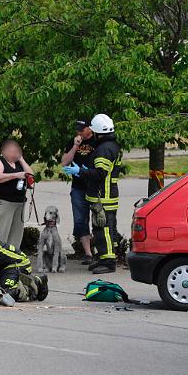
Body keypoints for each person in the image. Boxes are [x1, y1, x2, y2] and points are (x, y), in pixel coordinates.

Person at [69, 114, 122, 275]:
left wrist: (81, 171)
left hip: (103, 197)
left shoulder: (104, 149)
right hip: (106, 196)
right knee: (106, 228)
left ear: (97, 132)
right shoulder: (111, 146)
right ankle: (104, 258)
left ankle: (108, 262)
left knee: (102, 229)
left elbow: (99, 174)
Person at [61, 119, 96, 265]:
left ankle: (102, 252)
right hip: (78, 187)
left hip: (94, 186)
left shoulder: (97, 140)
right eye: (78, 129)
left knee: (99, 219)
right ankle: (88, 254)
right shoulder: (74, 141)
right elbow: (64, 162)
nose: (79, 132)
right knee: (80, 220)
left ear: (90, 128)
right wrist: (75, 146)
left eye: (82, 129)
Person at [0, 139, 34, 248]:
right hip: (4, 202)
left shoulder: (18, 163)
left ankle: (13, 258)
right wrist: (16, 175)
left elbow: (31, 176)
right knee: (1, 234)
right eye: (12, 152)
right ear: (4, 151)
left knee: (16, 235)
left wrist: (22, 160)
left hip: (19, 202)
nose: (15, 154)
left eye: (17, 152)